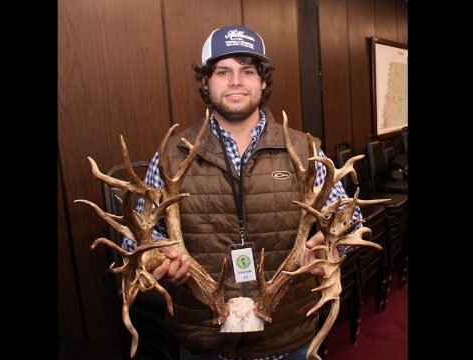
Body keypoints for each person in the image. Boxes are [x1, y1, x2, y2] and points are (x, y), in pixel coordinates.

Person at [123, 25, 362, 360]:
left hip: (288, 335)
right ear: (205, 82)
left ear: (262, 82)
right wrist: (159, 259)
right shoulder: (169, 157)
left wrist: (330, 248)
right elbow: (136, 244)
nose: (235, 81)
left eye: (247, 71)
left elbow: (349, 222)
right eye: (223, 71)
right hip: (203, 339)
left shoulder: (306, 150)